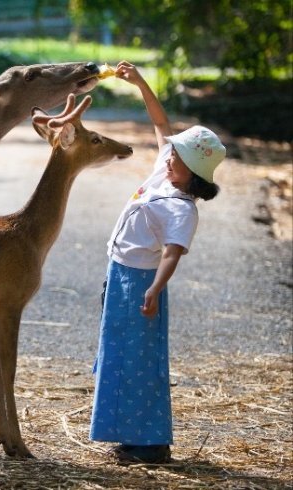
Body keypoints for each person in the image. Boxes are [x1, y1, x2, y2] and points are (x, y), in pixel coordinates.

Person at [89, 61, 226, 464]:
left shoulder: (182, 209)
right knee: (117, 353)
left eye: (178, 157)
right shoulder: (165, 175)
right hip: (120, 274)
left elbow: (173, 252)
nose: (169, 156)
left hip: (142, 282)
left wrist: (154, 289)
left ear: (194, 174)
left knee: (139, 360)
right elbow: (161, 122)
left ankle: (151, 444)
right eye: (172, 152)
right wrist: (141, 83)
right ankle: (130, 436)